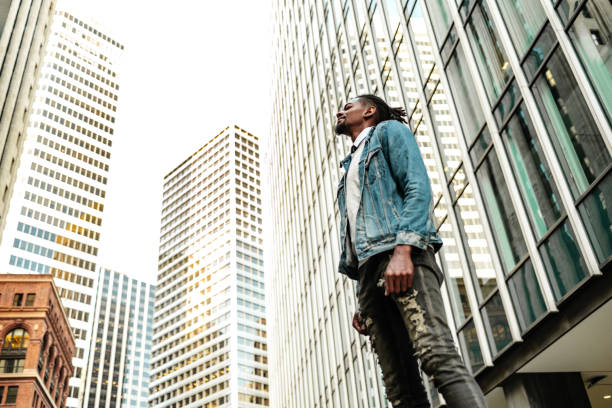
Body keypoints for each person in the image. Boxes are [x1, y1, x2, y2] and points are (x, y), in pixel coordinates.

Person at [335, 94, 487, 408]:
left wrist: (404, 249)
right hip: (368, 273)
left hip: (403, 254)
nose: (340, 111)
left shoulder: (389, 132)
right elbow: (358, 236)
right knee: (400, 390)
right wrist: (363, 297)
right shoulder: (349, 166)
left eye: (348, 106)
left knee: (436, 355)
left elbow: (417, 186)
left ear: (370, 111)